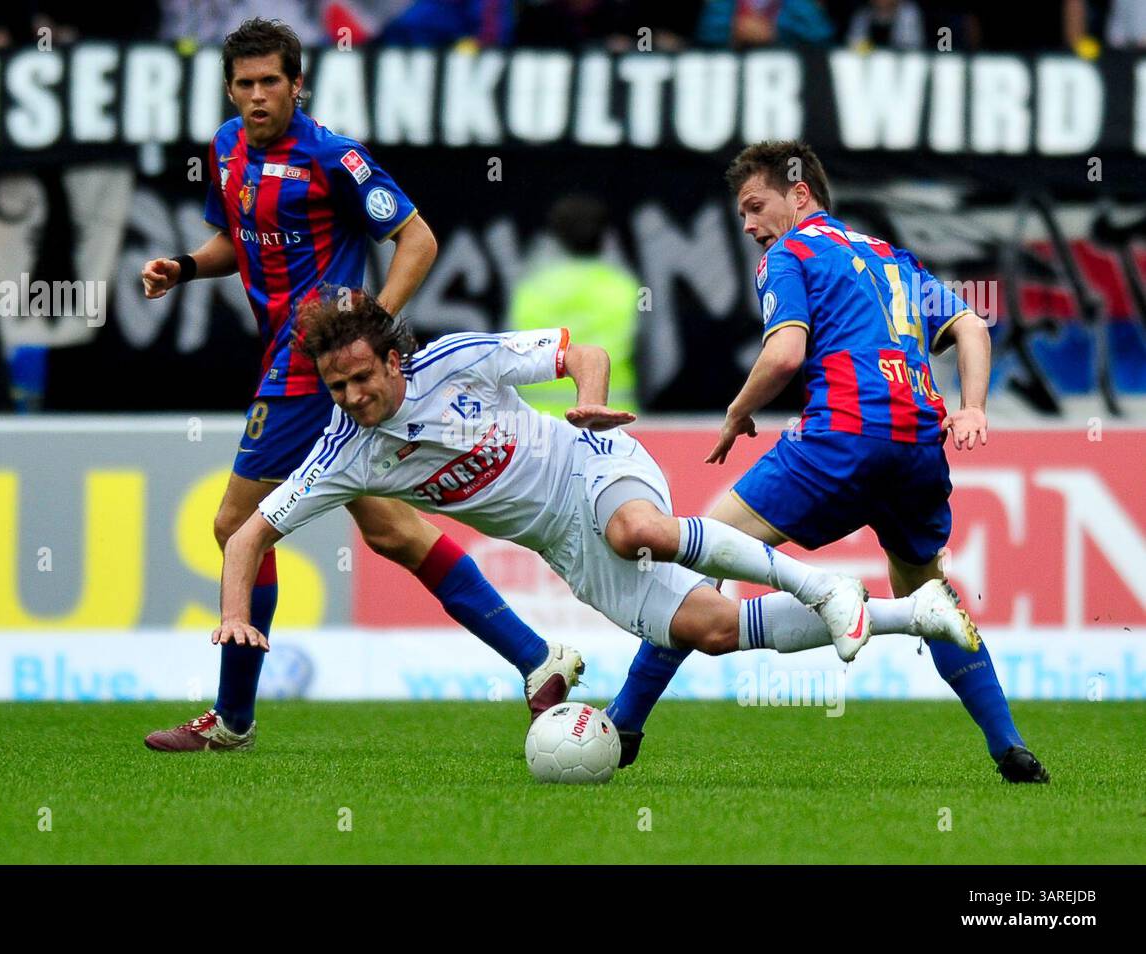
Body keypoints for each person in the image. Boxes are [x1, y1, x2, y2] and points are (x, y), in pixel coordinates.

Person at [139, 18, 579, 752]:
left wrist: (372, 326)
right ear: (228, 87)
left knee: (233, 525)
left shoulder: (332, 156)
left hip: (309, 372)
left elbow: (418, 238)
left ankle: (233, 718)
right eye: (244, 83)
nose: (256, 96)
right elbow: (235, 239)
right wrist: (184, 267)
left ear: (297, 83)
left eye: (270, 82)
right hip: (282, 359)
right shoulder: (225, 148)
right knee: (391, 530)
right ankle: (539, 659)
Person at [212, 291, 980, 709]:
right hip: (564, 547)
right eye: (336, 387)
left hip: (593, 460)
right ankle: (912, 613)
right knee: (708, 631)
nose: (352, 397)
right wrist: (234, 618)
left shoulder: (454, 361)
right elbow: (247, 535)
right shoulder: (346, 454)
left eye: (361, 378)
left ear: (391, 359)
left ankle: (820, 586)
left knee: (632, 528)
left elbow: (585, 351)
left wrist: (590, 400)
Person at [606, 140, 1049, 783]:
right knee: (931, 596)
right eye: (742, 216)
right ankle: (1010, 745)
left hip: (840, 441)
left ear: (800, 193)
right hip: (919, 449)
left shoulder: (792, 253)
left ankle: (623, 723)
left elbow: (786, 355)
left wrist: (736, 411)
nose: (750, 225)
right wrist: (973, 406)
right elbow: (974, 328)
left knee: (700, 558)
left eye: (756, 206)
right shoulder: (892, 259)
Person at [508, 194, 640, 416]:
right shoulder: (624, 289)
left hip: (535, 425)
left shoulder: (529, 291)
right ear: (606, 236)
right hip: (611, 423)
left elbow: (506, 360)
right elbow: (653, 363)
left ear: (554, 236)